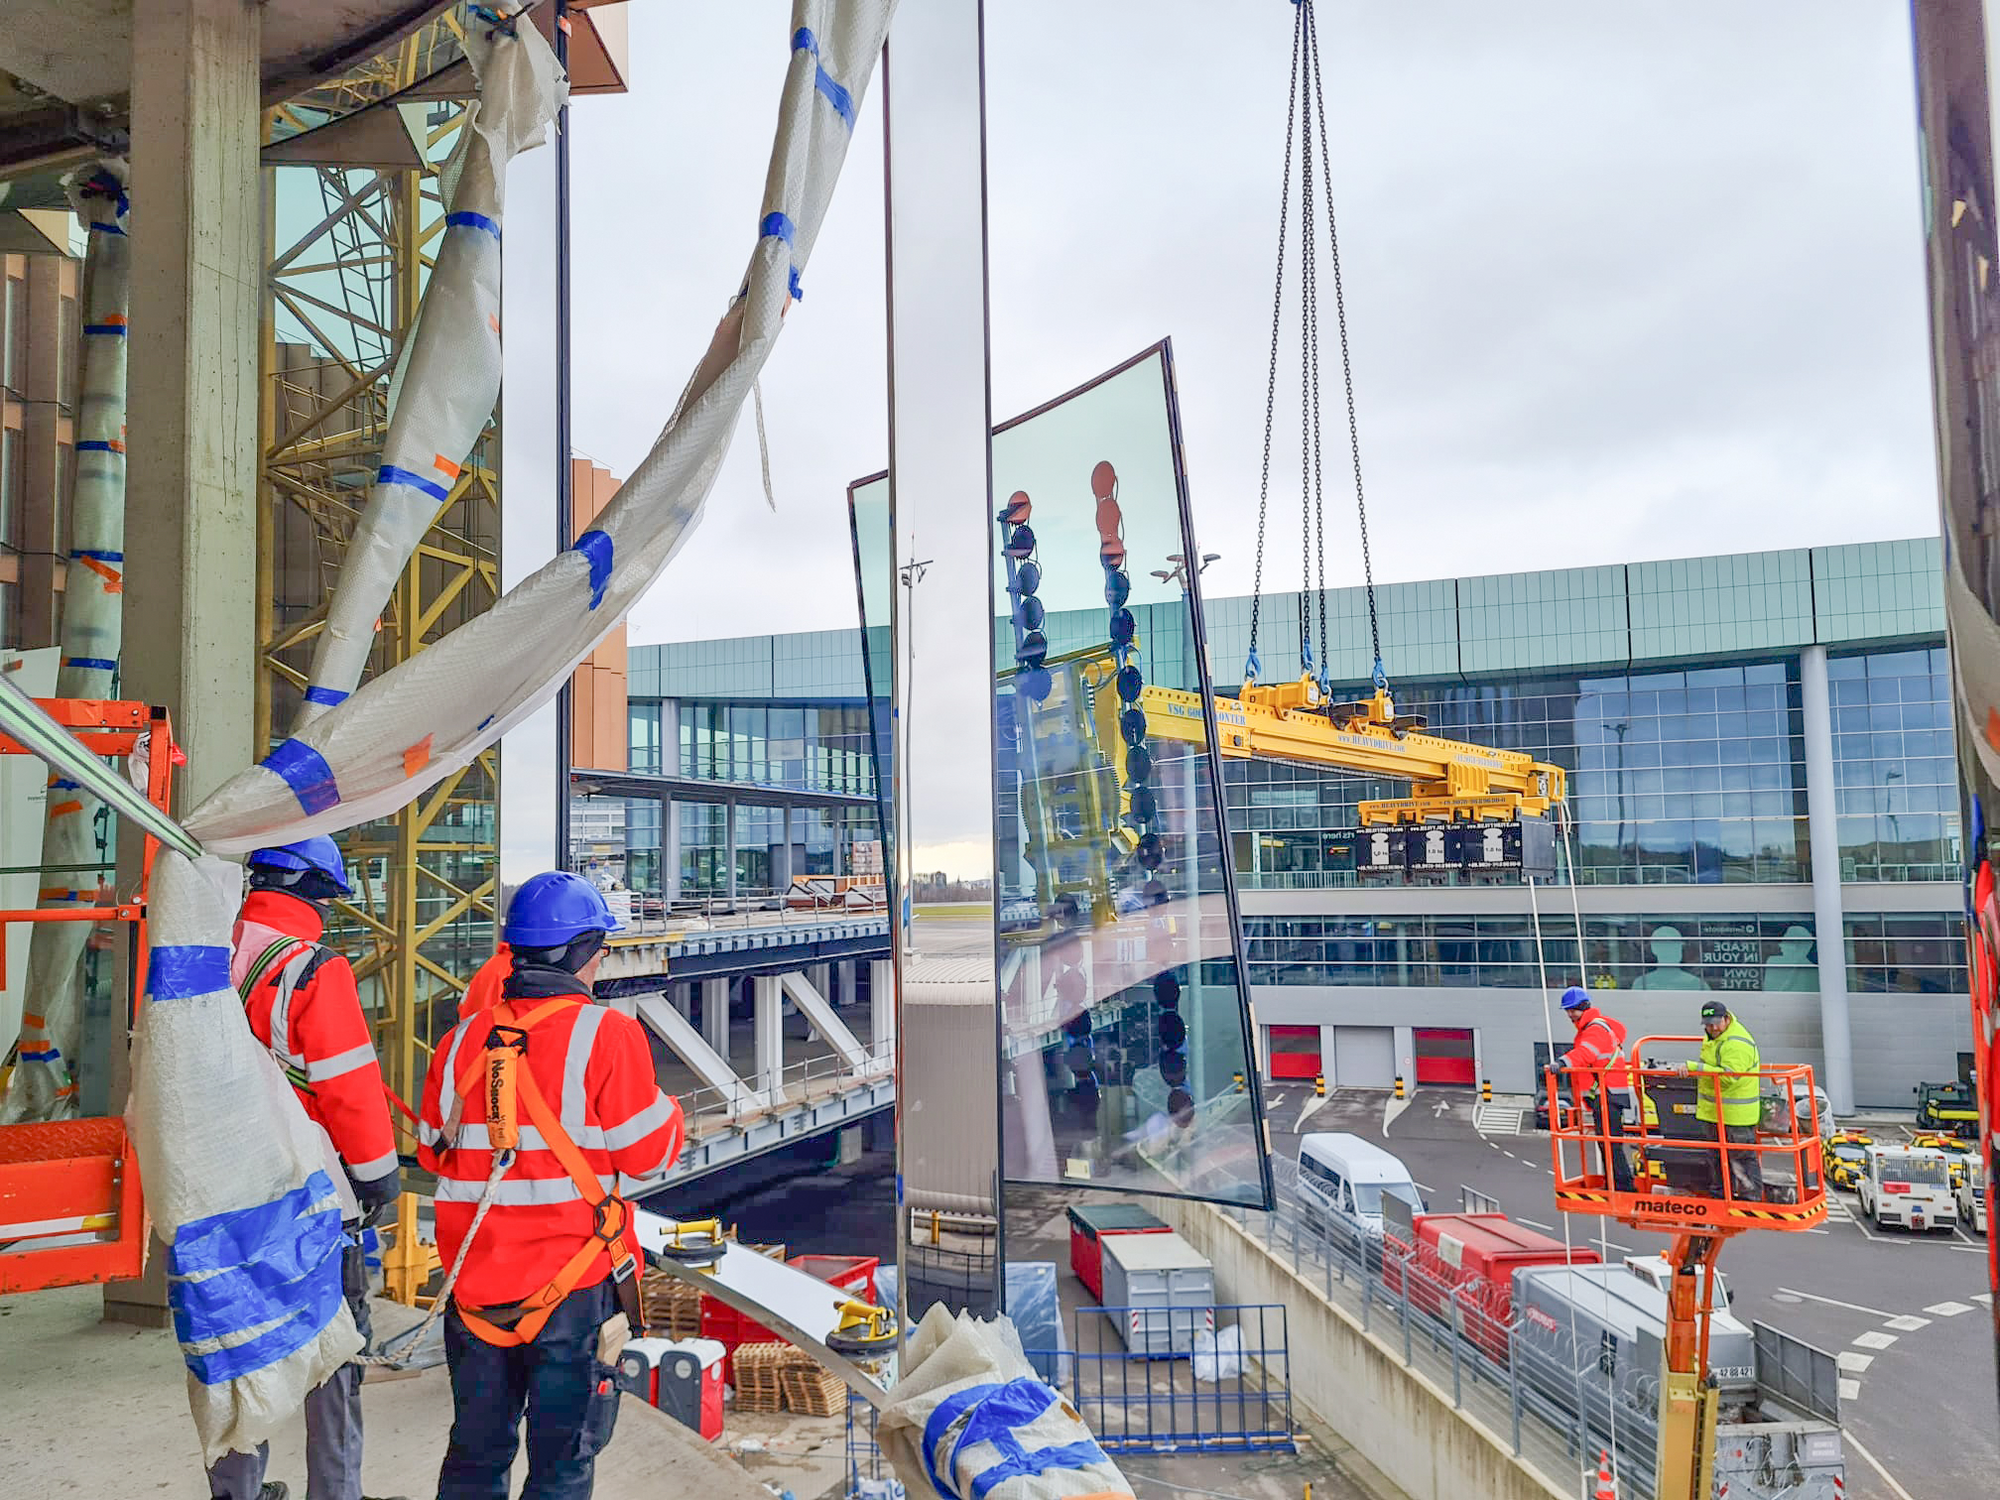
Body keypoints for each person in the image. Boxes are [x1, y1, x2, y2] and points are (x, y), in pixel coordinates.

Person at [419, 871, 684, 1500]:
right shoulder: (608, 1034)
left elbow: (435, 1150)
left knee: (475, 1457)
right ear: (586, 954)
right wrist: (668, 1111)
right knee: (562, 1467)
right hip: (571, 1289)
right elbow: (649, 1157)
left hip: (474, 1290)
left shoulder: (459, 1041)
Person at [210, 837, 402, 1500]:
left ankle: (236, 1490)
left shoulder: (202, 955)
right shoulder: (313, 969)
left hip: (222, 1195)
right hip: (312, 1201)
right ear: (315, 891)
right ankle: (336, 1491)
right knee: (335, 1352)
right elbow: (349, 1088)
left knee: (238, 1351)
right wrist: (378, 1178)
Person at [1554, 986, 1636, 1193]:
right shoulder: (1594, 1028)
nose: (1570, 1015)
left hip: (1607, 1094)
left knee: (1610, 1144)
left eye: (1573, 1010)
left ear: (1583, 1007)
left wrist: (1563, 1061)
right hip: (1607, 1093)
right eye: (1568, 1011)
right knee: (1608, 1143)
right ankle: (1616, 1184)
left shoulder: (1594, 1029)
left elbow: (1586, 1053)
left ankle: (1622, 1186)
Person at [1685, 999, 1762, 1202]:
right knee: (1716, 1157)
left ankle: (1749, 1200)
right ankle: (1720, 1195)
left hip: (1736, 1116)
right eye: (1707, 1024)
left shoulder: (1736, 1043)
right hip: (1715, 1112)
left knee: (1741, 1158)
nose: (1712, 1028)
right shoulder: (1712, 1038)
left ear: (1726, 1019)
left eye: (1715, 1023)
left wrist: (1695, 1069)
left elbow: (1728, 1078)